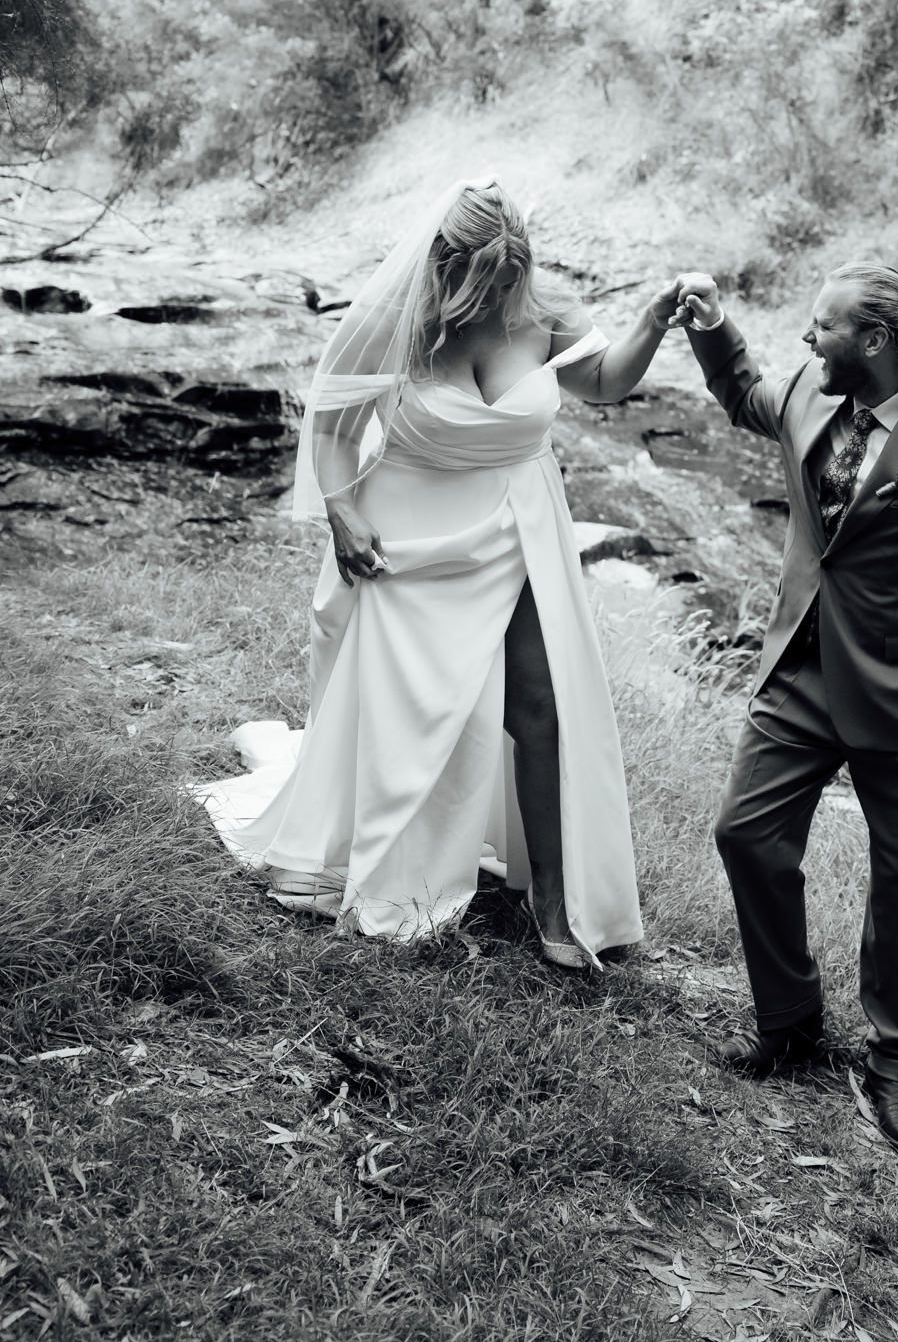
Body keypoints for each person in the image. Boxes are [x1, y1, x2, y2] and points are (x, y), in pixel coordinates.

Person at [195, 178, 681, 961]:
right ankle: (391, 863)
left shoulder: (544, 300)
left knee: (538, 703)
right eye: (483, 280)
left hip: (519, 524)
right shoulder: (397, 312)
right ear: (447, 264)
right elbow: (331, 420)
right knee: (412, 710)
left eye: (509, 277)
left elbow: (603, 382)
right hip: (406, 534)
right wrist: (343, 511)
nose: (498, 295)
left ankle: (553, 901)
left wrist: (653, 323)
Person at [672, 263, 898, 1154]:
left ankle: (897, 1064)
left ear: (872, 342)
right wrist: (711, 328)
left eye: (820, 326)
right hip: (801, 670)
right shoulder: (803, 392)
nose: (806, 339)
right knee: (746, 835)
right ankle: (789, 1022)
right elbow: (745, 393)